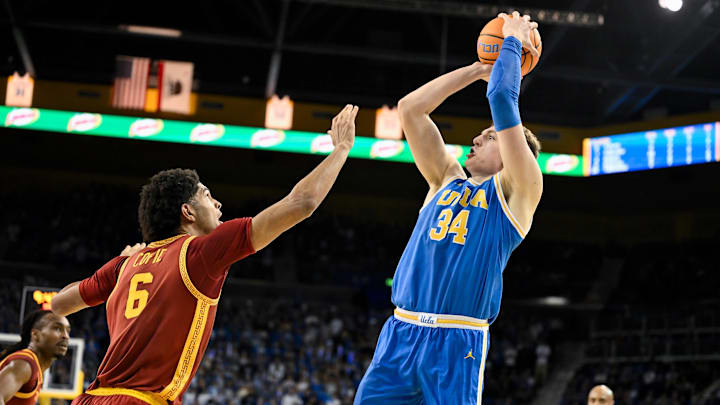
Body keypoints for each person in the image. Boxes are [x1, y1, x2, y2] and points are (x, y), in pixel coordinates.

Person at [51, 105, 359, 404]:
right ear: (187, 212)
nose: (219, 204)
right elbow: (301, 204)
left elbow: (59, 303)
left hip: (91, 398)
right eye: (208, 197)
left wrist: (118, 263)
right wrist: (342, 148)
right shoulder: (199, 253)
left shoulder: (124, 266)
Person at [354, 12, 542, 404]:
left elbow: (503, 102)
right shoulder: (444, 179)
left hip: (458, 339)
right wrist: (476, 69)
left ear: (510, 153)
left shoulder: (518, 190)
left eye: (488, 137)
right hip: (401, 332)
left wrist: (510, 41)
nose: (476, 138)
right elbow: (410, 109)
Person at [0, 310, 71, 405]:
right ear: (35, 335)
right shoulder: (25, 364)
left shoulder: (34, 368)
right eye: (57, 328)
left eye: (68, 331)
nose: (65, 336)